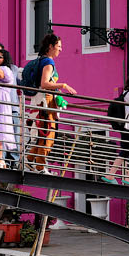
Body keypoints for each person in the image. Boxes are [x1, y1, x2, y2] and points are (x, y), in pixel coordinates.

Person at [24, 33, 75, 172]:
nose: (61, 49)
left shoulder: (41, 60)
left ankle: (30, 161)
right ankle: (39, 166)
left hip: (39, 101)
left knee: (42, 134)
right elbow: (45, 83)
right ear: (50, 46)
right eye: (59, 46)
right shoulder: (48, 62)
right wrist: (63, 85)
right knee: (48, 135)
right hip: (45, 101)